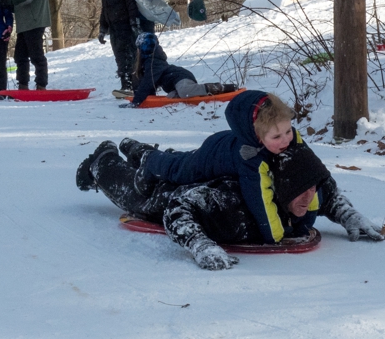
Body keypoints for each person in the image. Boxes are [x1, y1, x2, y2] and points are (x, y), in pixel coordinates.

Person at [76, 139, 385, 269]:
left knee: (167, 162)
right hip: (170, 193)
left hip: (199, 173)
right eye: (300, 192)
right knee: (135, 194)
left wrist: (349, 215)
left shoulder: (307, 186)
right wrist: (200, 244)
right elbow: (177, 208)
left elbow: (326, 191)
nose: (310, 198)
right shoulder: (231, 203)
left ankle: (139, 150)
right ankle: (104, 158)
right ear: (279, 188)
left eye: (312, 190)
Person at [133, 90, 315, 244]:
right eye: (276, 137)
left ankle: (171, 153)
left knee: (183, 159)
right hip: (211, 156)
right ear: (257, 137)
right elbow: (260, 200)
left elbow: (309, 176)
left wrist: (305, 222)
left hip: (227, 143)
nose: (285, 140)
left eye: (288, 131)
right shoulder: (251, 158)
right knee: (178, 170)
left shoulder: (293, 141)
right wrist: (275, 236)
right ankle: (151, 159)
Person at [120, 33, 236, 108]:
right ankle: (196, 92)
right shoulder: (149, 63)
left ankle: (218, 87)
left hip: (180, 77)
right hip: (175, 85)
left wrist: (136, 102)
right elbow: (146, 83)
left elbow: (148, 82)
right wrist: (144, 98)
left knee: (184, 91)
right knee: (172, 98)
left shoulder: (154, 62)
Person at [97, 0, 142, 95]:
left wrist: (133, 21)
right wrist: (103, 28)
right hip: (113, 25)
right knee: (119, 55)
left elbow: (130, 0)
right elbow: (105, 7)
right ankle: (125, 84)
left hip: (125, 23)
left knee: (129, 54)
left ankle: (132, 84)